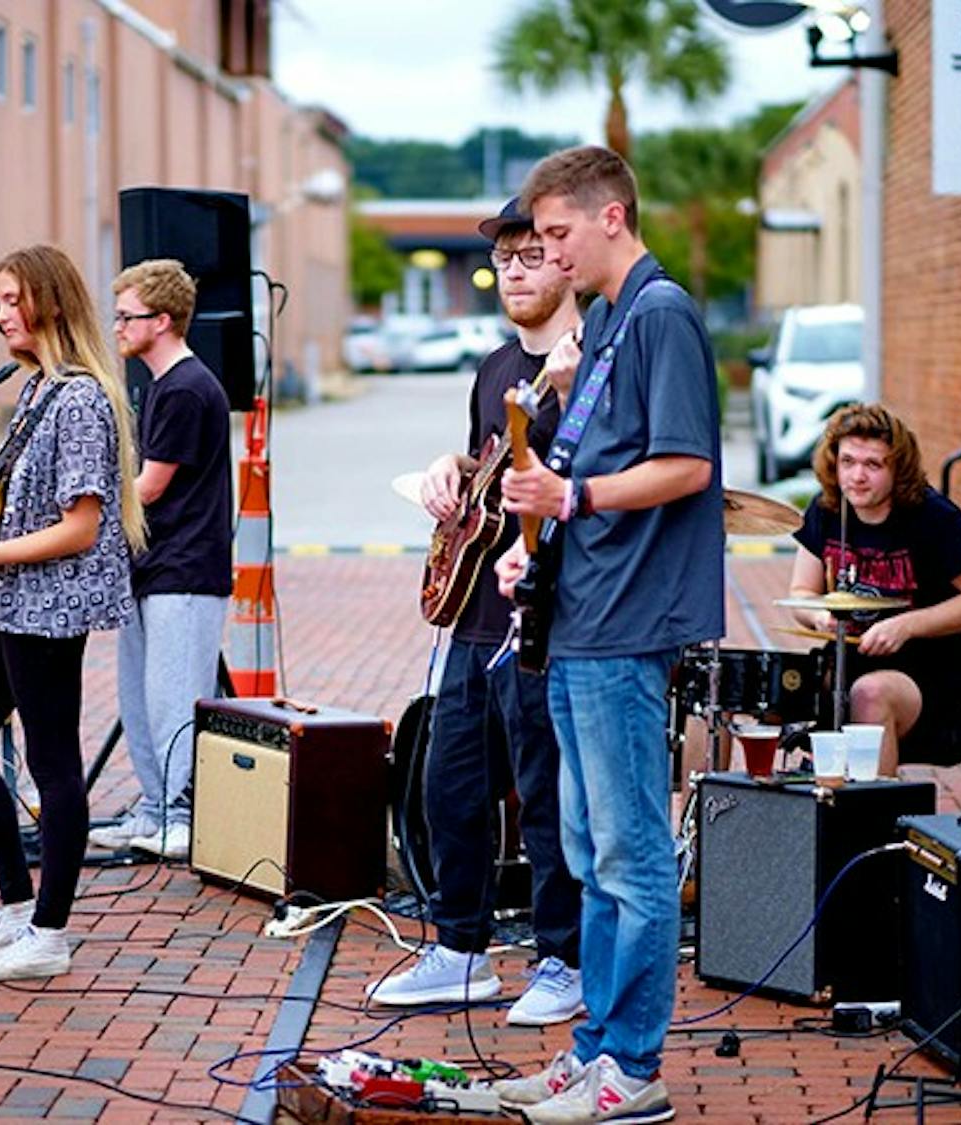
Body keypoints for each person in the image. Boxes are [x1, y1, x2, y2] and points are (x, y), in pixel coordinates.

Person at [494, 146, 724, 1125]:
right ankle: (592, 1053)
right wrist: (532, 542)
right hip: (581, 619)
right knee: (591, 855)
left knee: (626, 859)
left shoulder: (660, 313)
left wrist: (571, 493)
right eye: (537, 240)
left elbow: (687, 466)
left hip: (627, 629)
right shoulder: (612, 324)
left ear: (611, 218)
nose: (547, 257)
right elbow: (585, 470)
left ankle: (631, 1068)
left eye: (557, 235)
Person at [367, 199, 584, 1025]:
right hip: (473, 615)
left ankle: (562, 959)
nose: (518, 272)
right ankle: (459, 950)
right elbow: (488, 457)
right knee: (445, 785)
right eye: (508, 260)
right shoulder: (497, 366)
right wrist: (442, 467)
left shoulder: (591, 364)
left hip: (548, 614)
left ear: (567, 261)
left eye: (534, 255)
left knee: (546, 796)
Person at [0, 244, 146, 981]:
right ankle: (19, 905)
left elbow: (82, 524)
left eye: (14, 299)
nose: (1, 314)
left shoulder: (80, 397)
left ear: (51, 301)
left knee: (55, 765)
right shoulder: (38, 390)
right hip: (15, 600)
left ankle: (50, 933)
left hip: (50, 606)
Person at [87, 259, 232, 860]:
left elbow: (147, 487)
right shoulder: (159, 387)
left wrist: (84, 500)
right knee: (141, 700)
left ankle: (180, 814)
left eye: (128, 316)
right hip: (154, 569)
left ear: (164, 320)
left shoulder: (186, 388)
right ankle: (153, 810)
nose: (117, 326)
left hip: (186, 571)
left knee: (174, 699)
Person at [786, 403, 961, 776]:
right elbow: (801, 593)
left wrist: (905, 626)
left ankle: (874, 827)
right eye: (848, 462)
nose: (857, 476)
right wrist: (818, 615)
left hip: (928, 679)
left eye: (873, 465)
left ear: (897, 468)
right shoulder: (826, 509)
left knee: (870, 694)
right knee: (738, 682)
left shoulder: (933, 517)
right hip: (846, 665)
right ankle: (701, 827)